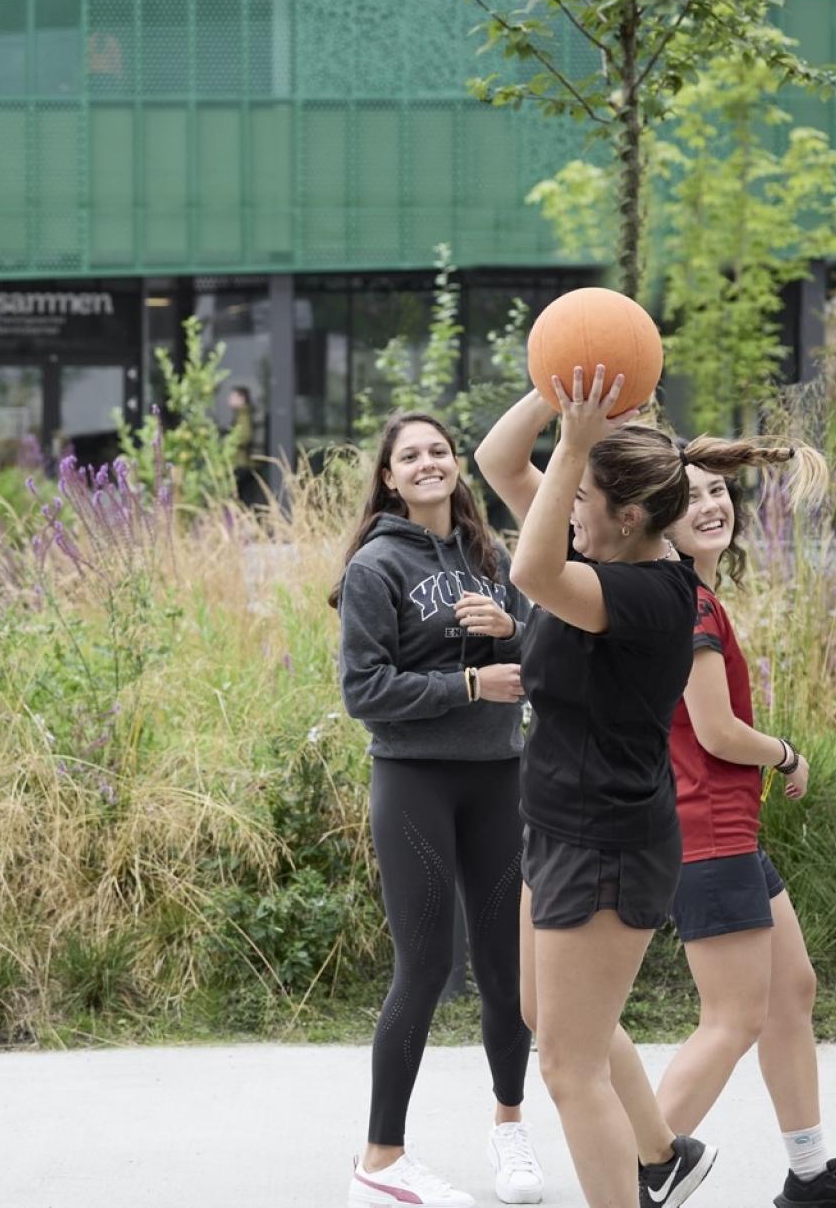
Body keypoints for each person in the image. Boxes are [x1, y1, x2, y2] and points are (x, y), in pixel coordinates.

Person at [474, 369, 821, 1208]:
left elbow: (529, 571)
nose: (568, 504)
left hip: (606, 843)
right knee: (541, 1015)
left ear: (625, 517)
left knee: (569, 1065)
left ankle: (642, 1178)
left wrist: (580, 444)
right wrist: (561, 396)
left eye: (583, 492)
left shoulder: (650, 595)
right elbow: (497, 459)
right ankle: (664, 1154)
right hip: (555, 827)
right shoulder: (599, 549)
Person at [655, 460, 836, 1208]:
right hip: (707, 830)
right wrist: (786, 752)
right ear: (657, 517)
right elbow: (717, 730)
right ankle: (640, 1172)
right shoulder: (689, 607)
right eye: (689, 496)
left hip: (731, 830)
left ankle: (809, 1175)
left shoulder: (689, 595)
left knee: (791, 992)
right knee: (732, 1020)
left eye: (716, 491)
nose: (710, 505)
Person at [335, 412, 544, 1208]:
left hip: (500, 778)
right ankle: (380, 1162)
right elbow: (363, 691)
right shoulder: (374, 567)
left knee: (506, 972)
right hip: (415, 782)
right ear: (389, 477)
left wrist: (513, 629)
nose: (429, 463)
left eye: (440, 451)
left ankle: (510, 1131)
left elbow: (548, 654)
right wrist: (467, 684)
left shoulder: (493, 559)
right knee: (426, 969)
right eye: (410, 455)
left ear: (458, 466)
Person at [226, 385, 262, 507]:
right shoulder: (243, 414)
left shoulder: (244, 415)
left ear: (241, 398)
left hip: (242, 462)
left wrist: (230, 441)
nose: (229, 399)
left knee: (240, 498)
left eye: (233, 396)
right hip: (243, 462)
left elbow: (246, 437)